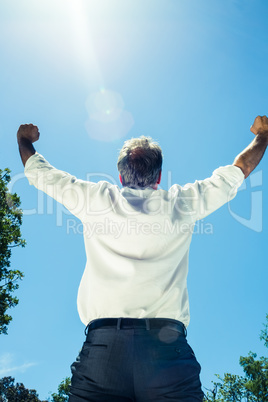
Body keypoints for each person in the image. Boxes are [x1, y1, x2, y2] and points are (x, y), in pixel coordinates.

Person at [17, 115, 268, 402]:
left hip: (103, 351)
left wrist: (24, 139)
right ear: (159, 177)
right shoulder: (181, 203)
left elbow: (40, 173)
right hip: (168, 352)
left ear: (120, 176)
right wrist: (263, 136)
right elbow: (239, 170)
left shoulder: (95, 200)